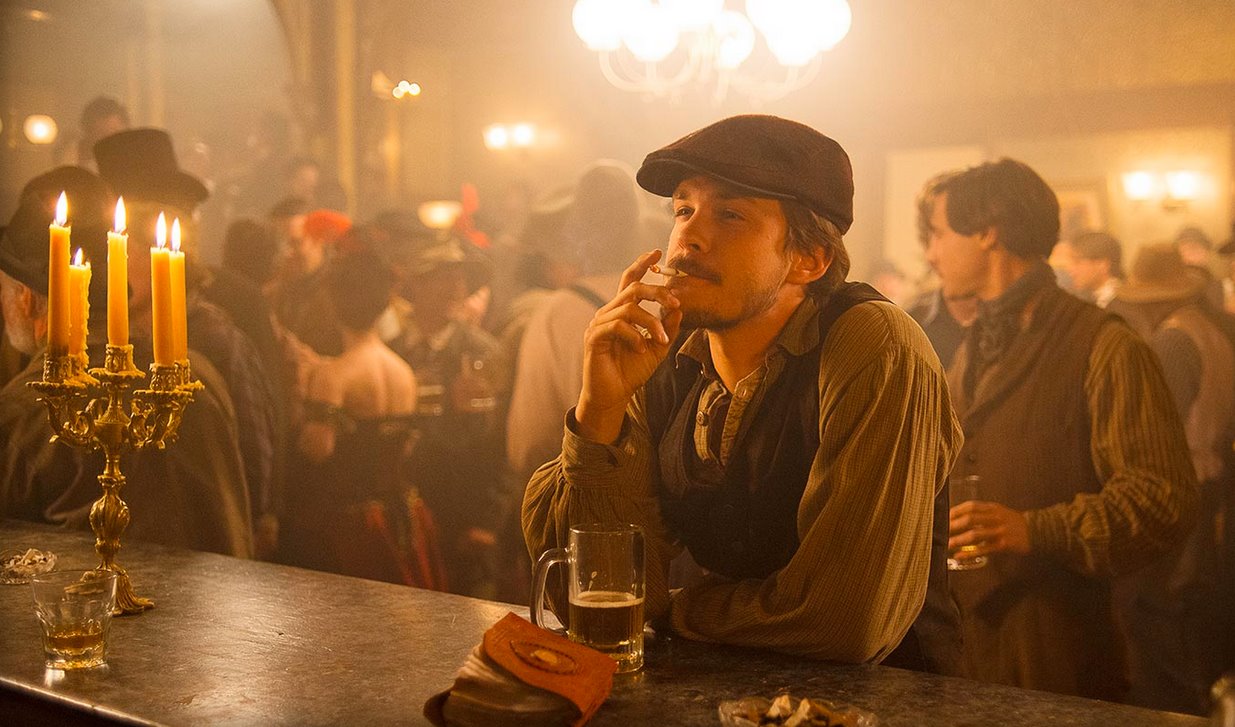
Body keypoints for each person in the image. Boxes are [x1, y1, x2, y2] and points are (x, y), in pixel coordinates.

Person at [523, 115, 963, 669]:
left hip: (886, 699)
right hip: (725, 695)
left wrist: (677, 610)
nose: (690, 236)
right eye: (683, 210)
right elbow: (588, 588)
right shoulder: (667, 356)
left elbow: (845, 621)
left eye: (730, 215)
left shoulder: (872, 343)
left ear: (809, 259)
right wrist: (600, 410)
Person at [926, 159, 1198, 700]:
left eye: (937, 234)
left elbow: (1162, 498)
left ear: (987, 232)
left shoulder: (1105, 345)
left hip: (1064, 654)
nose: (931, 253)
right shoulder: (973, 344)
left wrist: (1036, 528)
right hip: (973, 649)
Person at [0, 166, 253, 557]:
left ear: (26, 299)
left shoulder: (25, 407)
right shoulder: (195, 376)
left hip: (91, 599)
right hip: (221, 593)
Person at [95, 127, 281, 557]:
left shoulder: (218, 330)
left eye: (123, 248)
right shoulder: (103, 332)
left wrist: (258, 520)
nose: (111, 264)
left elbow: (255, 451)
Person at [1107, 243, 1235, 714]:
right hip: (1210, 478)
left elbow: (1159, 424)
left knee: (1156, 602)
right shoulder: (1209, 328)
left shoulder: (1173, 341)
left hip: (1185, 481)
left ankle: (1178, 706)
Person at [278, 246, 440, 585]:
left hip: (349, 528)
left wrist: (299, 400)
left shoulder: (335, 375)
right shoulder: (403, 371)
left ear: (334, 302)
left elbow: (317, 449)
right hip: (401, 517)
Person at [907, 174, 977, 368]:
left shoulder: (1021, 325)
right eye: (929, 237)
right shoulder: (910, 325)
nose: (931, 256)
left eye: (940, 234)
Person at [1066, 230, 1123, 308]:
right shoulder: (1086, 296)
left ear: (1102, 265)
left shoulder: (1122, 304)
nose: (1070, 269)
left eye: (1077, 261)